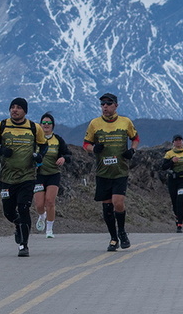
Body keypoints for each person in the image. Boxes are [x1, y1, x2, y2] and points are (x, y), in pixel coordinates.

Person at [0, 98, 48, 257]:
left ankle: (23, 245)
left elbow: (44, 145)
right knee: (8, 212)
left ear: (25, 111)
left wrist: (39, 156)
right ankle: (18, 225)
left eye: (19, 107)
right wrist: (2, 151)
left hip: (27, 177)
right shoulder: (2, 126)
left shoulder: (34, 128)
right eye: (12, 107)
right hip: (7, 177)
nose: (14, 110)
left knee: (23, 208)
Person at [83, 93, 139, 252]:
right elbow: (86, 144)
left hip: (120, 170)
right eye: (102, 104)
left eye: (108, 103)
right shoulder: (94, 123)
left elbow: (135, 138)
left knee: (118, 202)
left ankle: (122, 231)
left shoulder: (125, 122)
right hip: (103, 171)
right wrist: (94, 148)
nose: (105, 106)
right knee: (107, 207)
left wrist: (132, 150)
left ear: (116, 105)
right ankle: (113, 238)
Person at [33, 112, 72, 238]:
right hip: (38, 175)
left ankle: (49, 230)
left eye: (49, 123)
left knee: (50, 201)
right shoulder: (35, 139)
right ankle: (42, 215)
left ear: (53, 125)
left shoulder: (58, 140)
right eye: (44, 122)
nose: (46, 125)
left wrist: (63, 158)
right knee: (39, 205)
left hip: (53, 174)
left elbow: (68, 154)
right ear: (40, 125)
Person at [161, 134, 183, 233]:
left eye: (180, 140)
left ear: (182, 141)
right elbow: (163, 167)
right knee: (175, 202)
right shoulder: (169, 154)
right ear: (173, 142)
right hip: (173, 180)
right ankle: (177, 218)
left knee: (180, 201)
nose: (178, 142)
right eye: (176, 140)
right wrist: (172, 161)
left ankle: (180, 225)